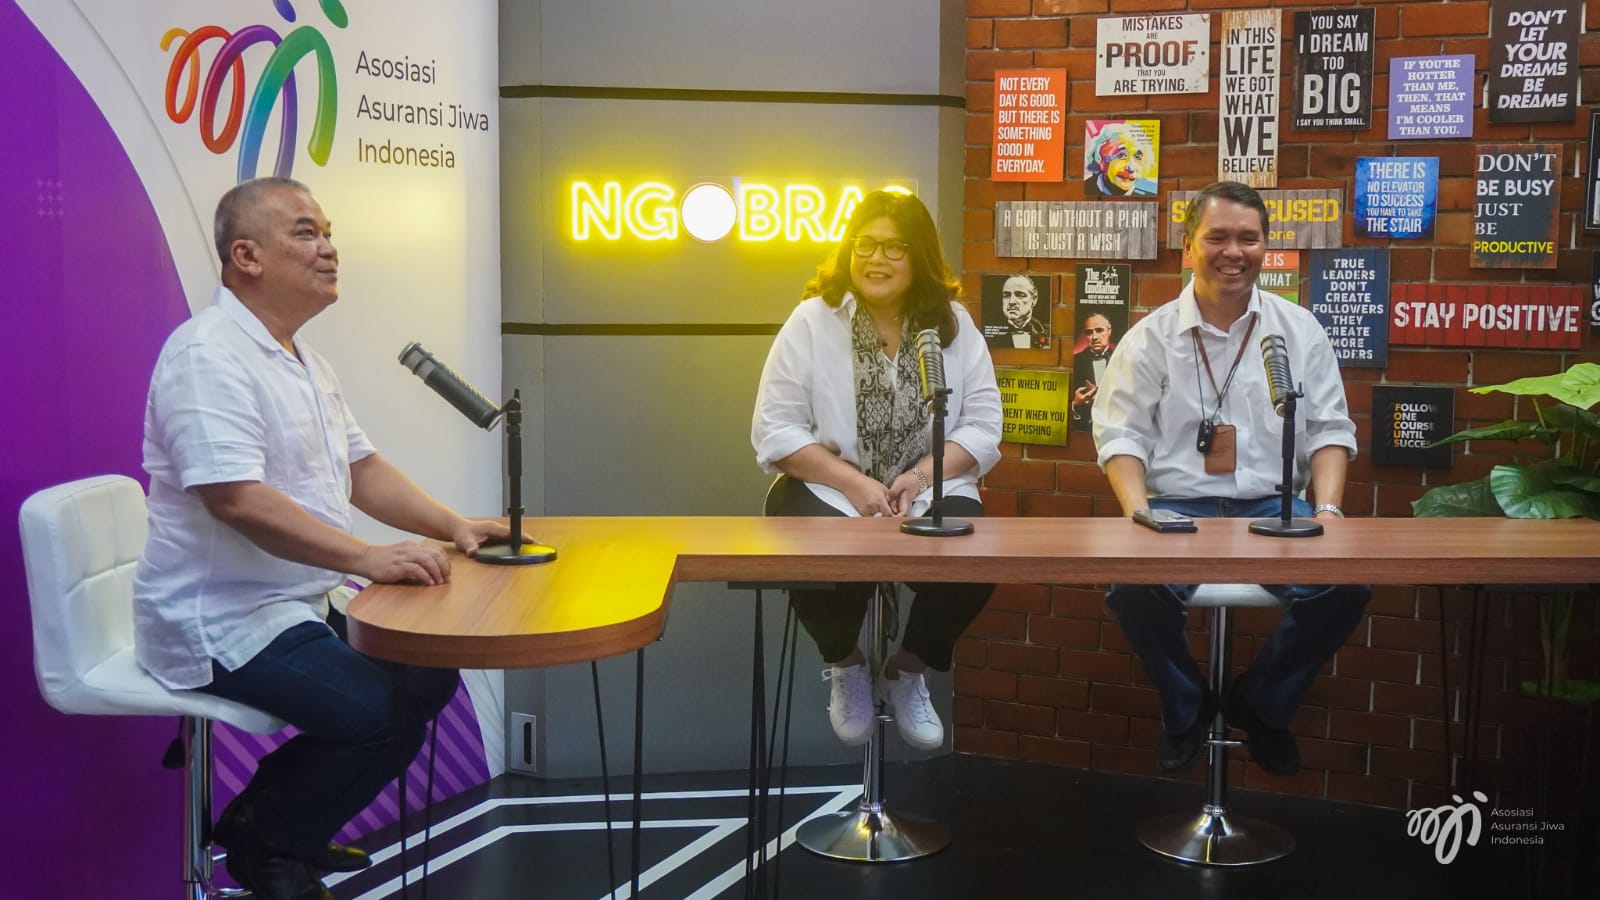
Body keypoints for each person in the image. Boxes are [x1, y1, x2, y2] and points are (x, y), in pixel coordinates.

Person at [133, 177, 516, 900]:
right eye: (306, 233)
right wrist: (368, 558)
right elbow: (236, 499)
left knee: (426, 674)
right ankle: (273, 850)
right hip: (219, 618)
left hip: (296, 601)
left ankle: (268, 818)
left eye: (328, 232)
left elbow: (361, 469)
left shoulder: (301, 357)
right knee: (376, 713)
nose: (329, 248)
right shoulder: (206, 357)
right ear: (247, 256)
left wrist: (455, 526)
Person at [1090, 181, 1369, 776]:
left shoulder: (1300, 330)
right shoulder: (1150, 337)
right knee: (1131, 586)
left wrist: (1327, 513)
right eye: (1217, 237)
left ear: (1267, 246)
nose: (1234, 252)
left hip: (1273, 509)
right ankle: (1185, 704)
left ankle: (1263, 703)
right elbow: (1120, 435)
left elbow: (1328, 430)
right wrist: (1139, 513)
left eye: (1249, 238)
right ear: (1189, 245)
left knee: (1347, 586)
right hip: (1176, 508)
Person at [752, 190, 1002, 751]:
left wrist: (921, 476)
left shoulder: (954, 324)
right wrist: (855, 483)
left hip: (929, 484)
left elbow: (984, 425)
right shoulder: (812, 321)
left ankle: (907, 669)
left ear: (920, 256)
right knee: (809, 551)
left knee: (978, 560)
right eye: (865, 244)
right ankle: (846, 663)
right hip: (834, 485)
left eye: (894, 247)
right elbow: (775, 429)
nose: (876, 259)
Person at [1084, 123, 1156, 197]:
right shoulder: (1084, 188)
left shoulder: (1150, 195)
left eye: (1138, 157)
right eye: (1121, 156)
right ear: (1101, 160)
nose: (1131, 168)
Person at [1069, 312, 1115, 425]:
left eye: (1099, 330)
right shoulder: (1074, 361)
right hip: (1083, 428)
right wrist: (1075, 404)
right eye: (1089, 332)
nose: (1094, 337)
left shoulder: (1121, 360)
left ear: (1109, 330)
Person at [999, 274, 1048, 348]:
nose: (1011, 301)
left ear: (1034, 299)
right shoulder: (989, 332)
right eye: (1006, 295)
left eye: (1020, 295)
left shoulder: (1046, 332)